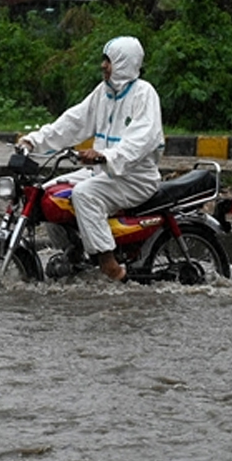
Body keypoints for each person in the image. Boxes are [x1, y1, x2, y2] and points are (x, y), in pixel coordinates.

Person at [17, 36, 164, 281]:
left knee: (84, 194)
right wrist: (34, 141)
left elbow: (142, 139)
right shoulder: (103, 93)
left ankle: (110, 265)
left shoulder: (144, 94)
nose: (103, 66)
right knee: (47, 192)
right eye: (104, 60)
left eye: (109, 61)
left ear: (124, 62)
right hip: (103, 172)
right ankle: (73, 253)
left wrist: (105, 155)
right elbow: (72, 122)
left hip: (136, 178)